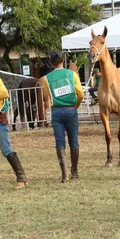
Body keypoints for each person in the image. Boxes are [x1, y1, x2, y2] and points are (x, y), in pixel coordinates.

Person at [42, 51, 83, 183]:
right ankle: (74, 171)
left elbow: (47, 97)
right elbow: (80, 93)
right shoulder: (72, 74)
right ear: (62, 61)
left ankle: (64, 174)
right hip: (71, 110)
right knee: (74, 141)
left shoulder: (46, 79)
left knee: (60, 143)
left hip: (57, 113)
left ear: (51, 63)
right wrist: (75, 105)